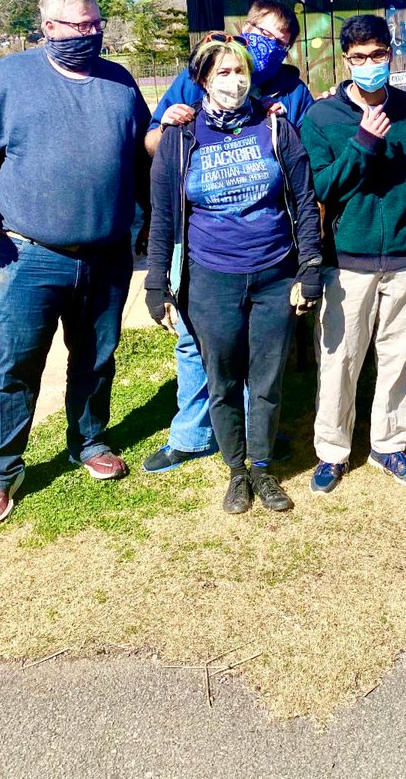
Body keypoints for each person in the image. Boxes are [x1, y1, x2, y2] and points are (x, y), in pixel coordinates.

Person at [0, 0, 151, 527]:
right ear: (48, 29)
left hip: (107, 256)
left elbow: (140, 157)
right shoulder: (8, 79)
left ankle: (87, 442)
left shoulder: (119, 81)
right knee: (16, 365)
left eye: (95, 25)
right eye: (76, 27)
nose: (89, 35)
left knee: (96, 358)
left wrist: (146, 221)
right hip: (29, 255)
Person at [144, 35, 321, 514]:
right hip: (210, 278)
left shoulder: (275, 128)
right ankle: (236, 471)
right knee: (222, 380)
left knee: (265, 379)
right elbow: (163, 216)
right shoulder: (179, 138)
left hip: (273, 275)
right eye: (222, 73)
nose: (234, 81)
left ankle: (263, 470)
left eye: (240, 71)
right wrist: (156, 284)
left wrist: (309, 267)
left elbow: (304, 201)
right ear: (201, 80)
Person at [300, 14, 406, 495]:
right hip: (347, 261)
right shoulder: (321, 117)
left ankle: (388, 445)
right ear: (345, 61)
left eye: (377, 55)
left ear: (390, 54)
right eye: (358, 58)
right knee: (340, 361)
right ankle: (332, 452)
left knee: (397, 359)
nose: (369, 65)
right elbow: (323, 187)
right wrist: (363, 145)